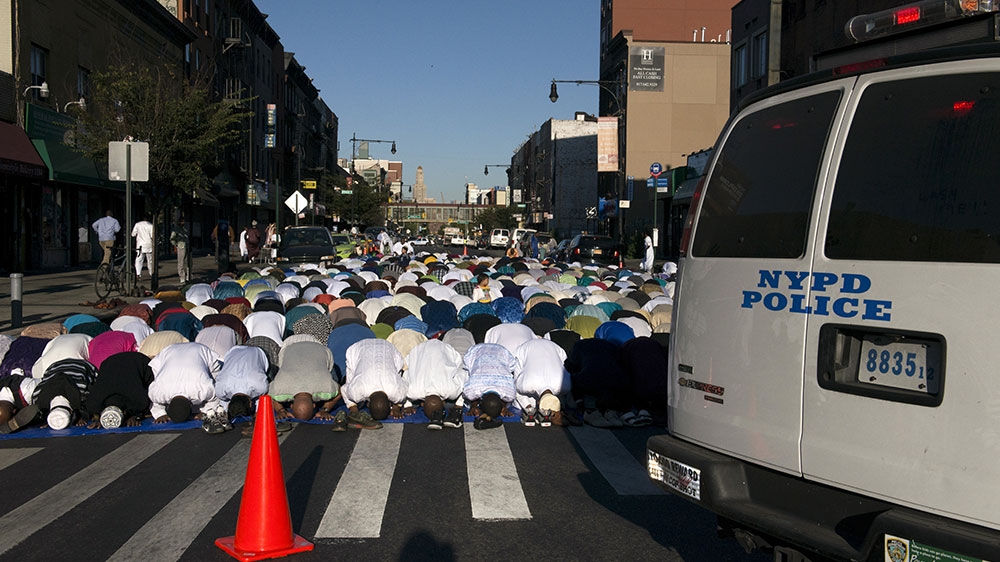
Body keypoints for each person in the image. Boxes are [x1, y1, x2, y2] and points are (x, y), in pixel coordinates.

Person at [342, 338, 408, 429]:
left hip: (386, 347)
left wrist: (396, 407)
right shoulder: (357, 391)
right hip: (359, 349)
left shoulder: (397, 392)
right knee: (351, 380)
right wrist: (353, 410)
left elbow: (343, 389)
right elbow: (343, 389)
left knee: (397, 372)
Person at [462, 342, 518, 430]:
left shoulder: (510, 393)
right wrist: (473, 406)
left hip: (501, 350)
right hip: (477, 351)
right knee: (469, 370)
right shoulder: (473, 388)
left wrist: (473, 406)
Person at [170, 217, 191, 285]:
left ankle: (188, 276)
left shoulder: (185, 228)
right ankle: (182, 277)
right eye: (181, 221)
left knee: (189, 262)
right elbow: (172, 238)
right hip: (181, 246)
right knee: (181, 262)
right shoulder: (176, 229)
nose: (183, 223)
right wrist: (175, 245)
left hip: (187, 245)